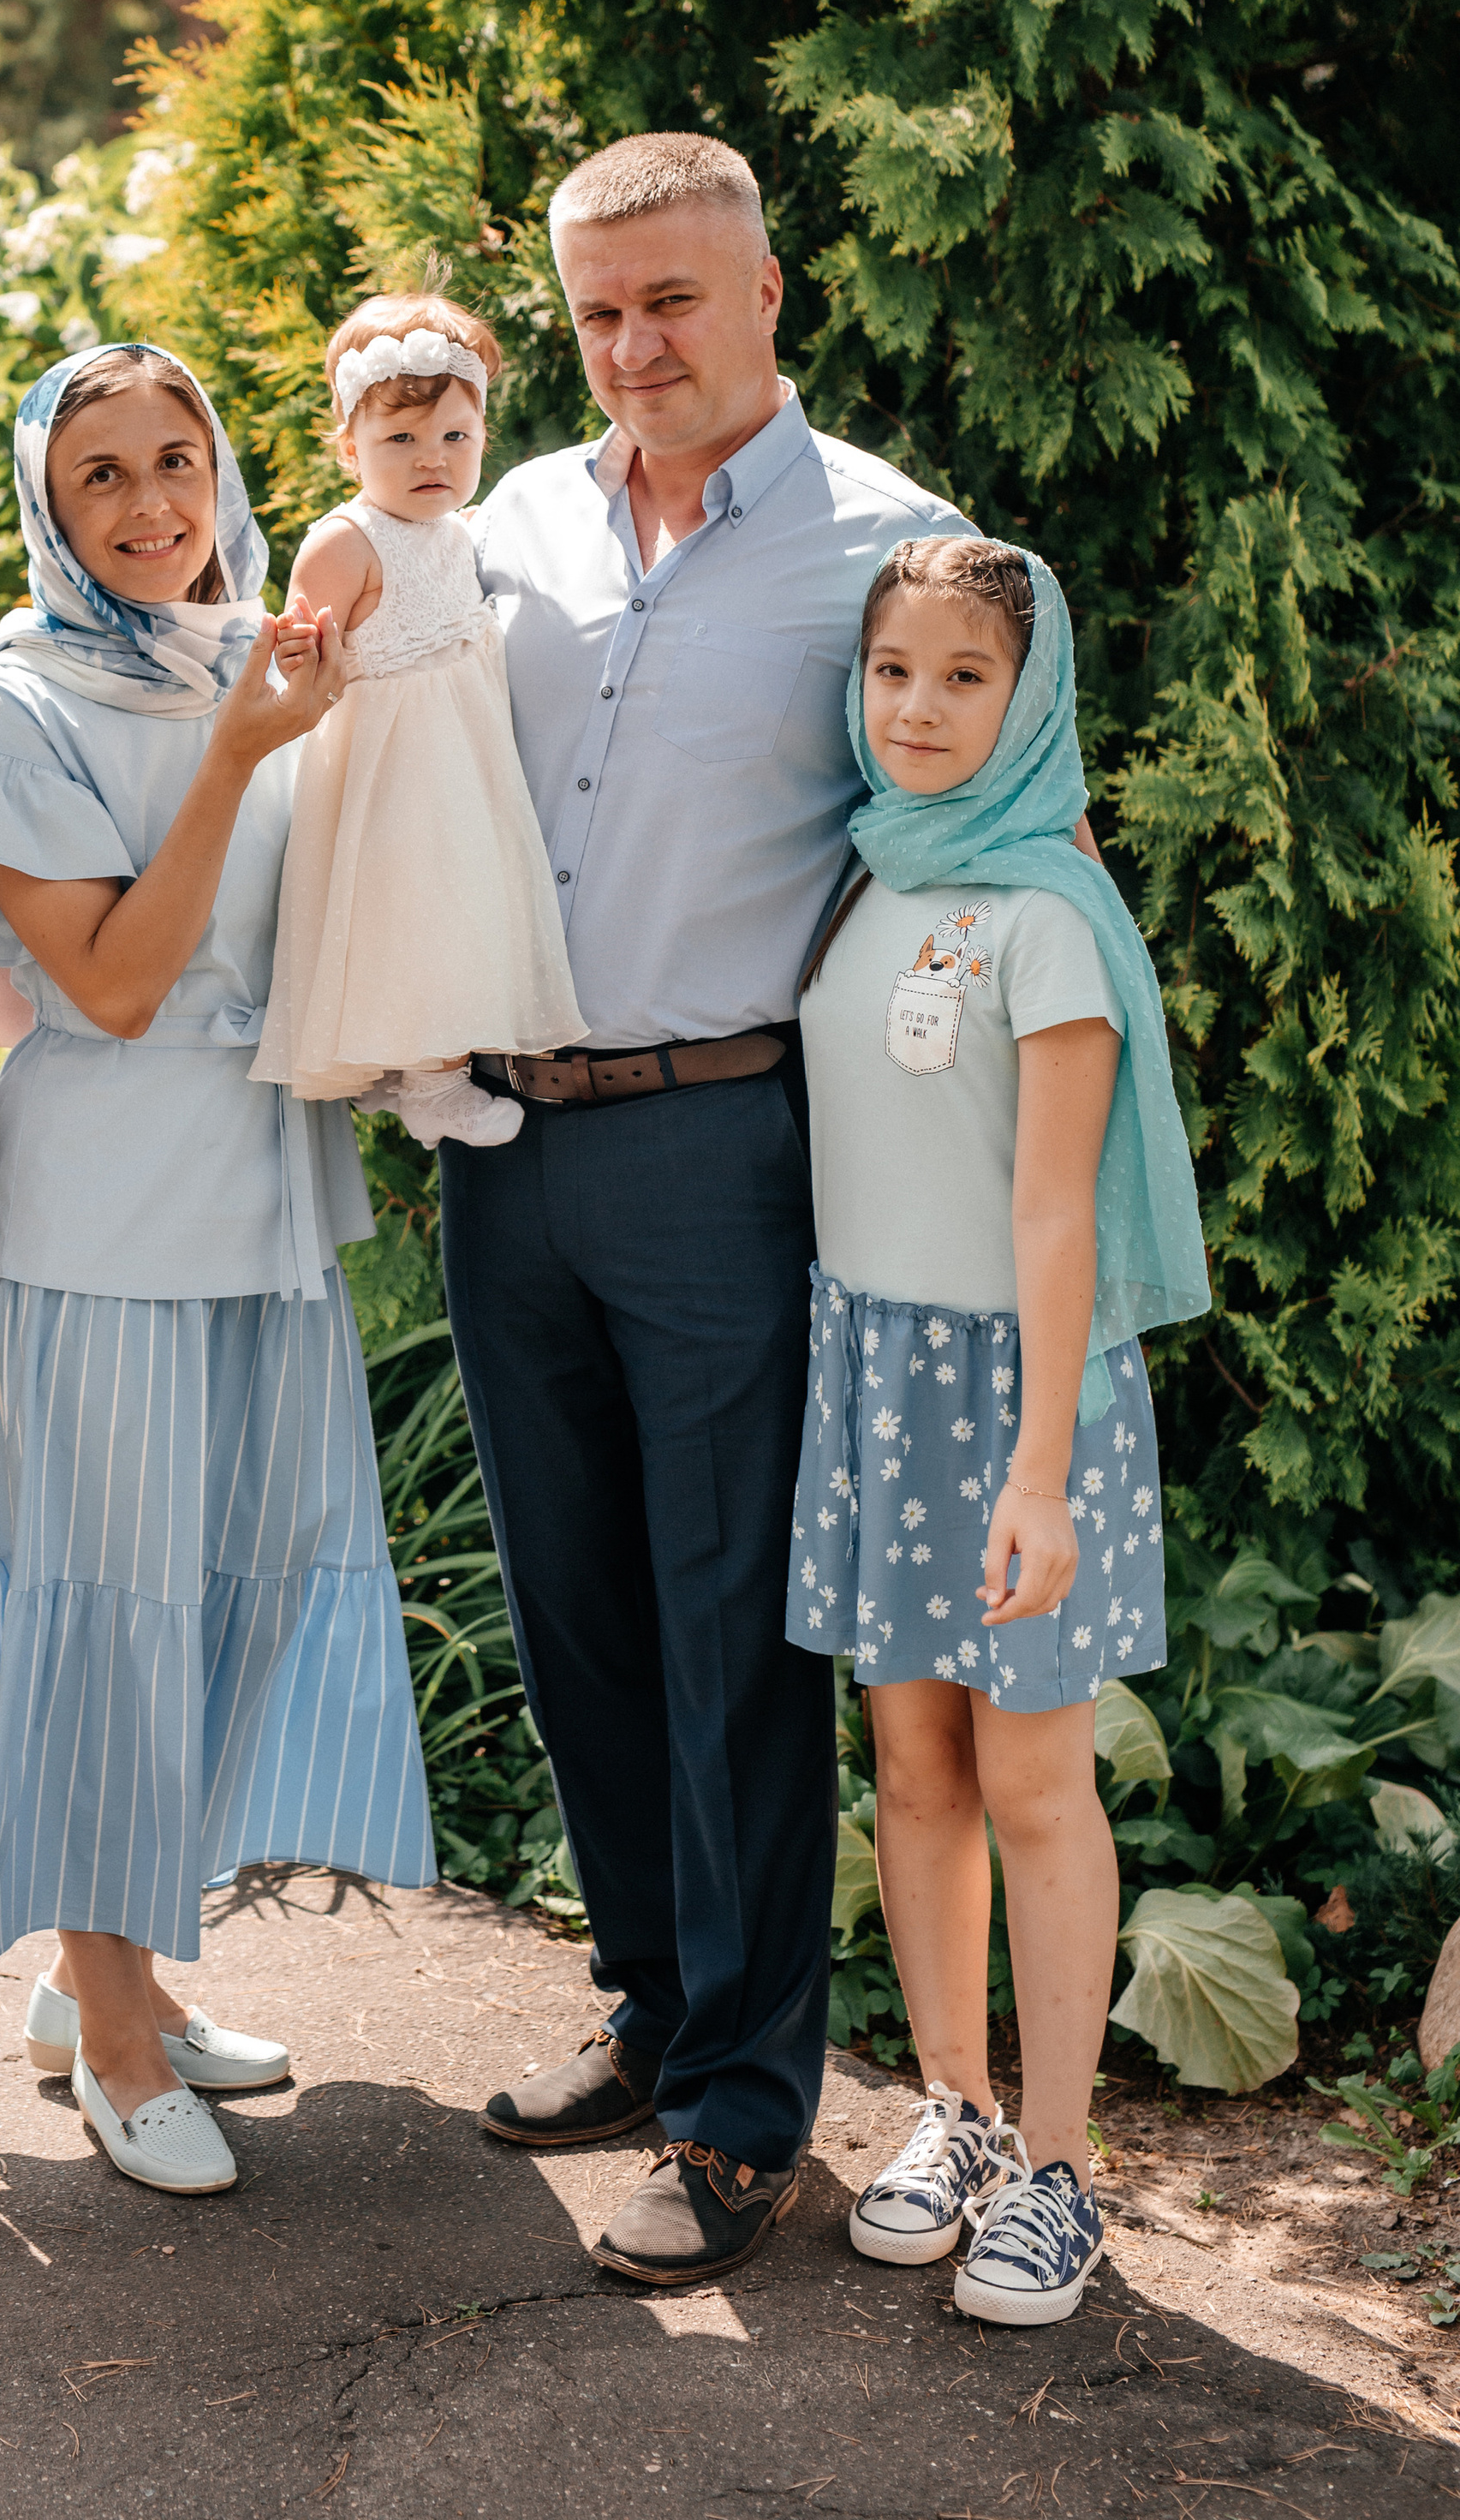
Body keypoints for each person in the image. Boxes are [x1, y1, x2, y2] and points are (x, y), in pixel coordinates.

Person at [439, 129, 982, 2291]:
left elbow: (952, 853)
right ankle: (655, 2006)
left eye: (668, 298)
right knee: (572, 1612)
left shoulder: (892, 544)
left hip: (723, 1143)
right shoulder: (504, 524)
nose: (630, 344)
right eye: (593, 310)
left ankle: (749, 2110)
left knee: (727, 1625)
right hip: (505, 1141)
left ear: (766, 291)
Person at [0, 341, 437, 2200]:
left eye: (173, 459)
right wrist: (238, 757)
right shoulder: (22, 702)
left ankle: (101, 1970)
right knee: (106, 1606)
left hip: (269, 1193)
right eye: (96, 474)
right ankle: (110, 2032)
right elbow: (104, 986)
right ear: (43, 506)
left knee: (213, 1597)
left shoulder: (261, 657)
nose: (146, 505)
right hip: (105, 1210)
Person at [792, 535, 1207, 2324]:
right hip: (876, 1372)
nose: (919, 707)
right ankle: (947, 2108)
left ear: (1026, 697)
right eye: (893, 670)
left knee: (1032, 1778)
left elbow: (1054, 1219)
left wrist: (1038, 1470)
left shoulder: (1049, 914)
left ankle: (1056, 2166)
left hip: (1015, 1398)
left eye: (963, 676)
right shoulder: (860, 880)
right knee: (912, 1774)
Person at [250, 291, 584, 1149]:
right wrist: (293, 659)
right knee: (411, 923)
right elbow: (302, 657)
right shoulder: (347, 540)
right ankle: (428, 1084)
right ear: (349, 444)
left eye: (454, 437)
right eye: (400, 439)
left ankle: (417, 1070)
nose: (430, 458)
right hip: (394, 777)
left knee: (463, 922)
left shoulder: (461, 532)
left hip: (465, 772)